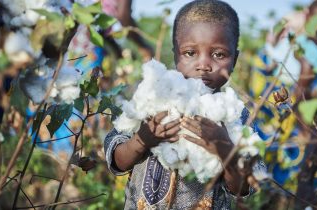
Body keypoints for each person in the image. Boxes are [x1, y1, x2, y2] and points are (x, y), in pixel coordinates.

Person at [104, 1, 266, 209]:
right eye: (190, 53)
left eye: (219, 54)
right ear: (176, 54)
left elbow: (243, 188)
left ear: (234, 59)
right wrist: (141, 141)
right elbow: (117, 161)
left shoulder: (236, 116)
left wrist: (225, 149)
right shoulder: (153, 98)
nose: (204, 65)